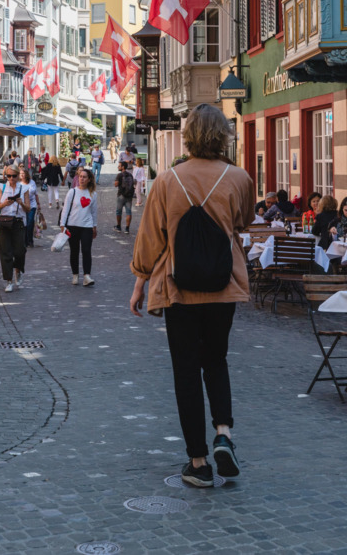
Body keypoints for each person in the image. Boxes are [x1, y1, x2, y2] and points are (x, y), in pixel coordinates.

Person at [130, 103, 254, 488]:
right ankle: (224, 434)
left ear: (189, 136)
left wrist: (139, 281)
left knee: (185, 372)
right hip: (223, 286)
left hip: (177, 289)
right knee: (216, 361)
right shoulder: (239, 178)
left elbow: (152, 237)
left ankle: (198, 463)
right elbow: (244, 220)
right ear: (223, 136)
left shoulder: (167, 181)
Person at [0, 165, 31, 292]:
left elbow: (28, 209)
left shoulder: (24, 188)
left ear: (18, 175)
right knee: (6, 252)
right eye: (8, 176)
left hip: (18, 222)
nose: (11, 178)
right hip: (4, 222)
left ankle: (18, 269)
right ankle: (9, 281)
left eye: (13, 176)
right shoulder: (2, 187)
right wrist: (5, 203)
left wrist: (20, 203)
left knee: (20, 251)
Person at [60, 167, 98, 287]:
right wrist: (62, 225)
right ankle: (75, 274)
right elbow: (65, 209)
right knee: (74, 251)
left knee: (86, 250)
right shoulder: (73, 192)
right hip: (72, 225)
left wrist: (94, 226)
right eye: (80, 176)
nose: (81, 179)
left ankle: (87, 275)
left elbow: (94, 212)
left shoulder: (93, 194)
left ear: (89, 179)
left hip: (86, 225)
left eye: (84, 177)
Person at [19, 166, 41, 248]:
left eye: (23, 174)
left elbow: (36, 193)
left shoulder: (32, 182)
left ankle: (30, 240)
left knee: (30, 222)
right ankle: (25, 241)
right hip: (22, 206)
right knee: (24, 223)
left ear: (26, 174)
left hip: (32, 205)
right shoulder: (18, 183)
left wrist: (38, 204)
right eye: (20, 174)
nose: (21, 175)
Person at [114, 162, 135, 233]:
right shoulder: (130, 175)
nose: (118, 167)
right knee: (128, 212)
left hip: (121, 196)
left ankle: (119, 226)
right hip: (129, 196)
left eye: (119, 166)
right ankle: (127, 228)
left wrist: (117, 183)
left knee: (118, 212)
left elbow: (116, 185)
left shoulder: (119, 175)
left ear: (123, 167)